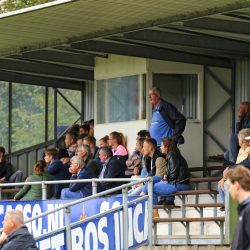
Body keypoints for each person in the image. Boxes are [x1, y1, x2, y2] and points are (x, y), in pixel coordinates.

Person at [141, 137, 190, 216]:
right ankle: (154, 212)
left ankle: (155, 213)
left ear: (167, 147)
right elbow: (172, 173)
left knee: (150, 187)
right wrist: (165, 177)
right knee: (151, 180)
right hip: (176, 182)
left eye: (162, 145)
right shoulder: (172, 155)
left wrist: (164, 179)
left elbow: (173, 176)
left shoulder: (173, 156)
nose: (160, 147)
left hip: (180, 184)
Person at [218, 129, 250, 208]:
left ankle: (231, 205)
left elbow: (245, 165)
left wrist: (229, 169)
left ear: (242, 141)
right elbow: (242, 163)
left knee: (229, 183)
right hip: (240, 172)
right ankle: (226, 204)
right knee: (221, 183)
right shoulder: (241, 151)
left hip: (245, 175)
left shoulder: (248, 151)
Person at [226, 166, 250, 250]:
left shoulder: (248, 209)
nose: (229, 190)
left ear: (236, 185)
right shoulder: (245, 208)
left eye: (229, 186)